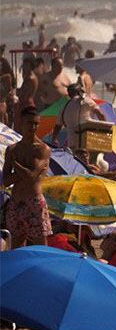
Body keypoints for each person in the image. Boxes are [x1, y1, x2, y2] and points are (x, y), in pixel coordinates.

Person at [1, 106, 53, 247]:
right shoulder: (12, 149)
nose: (33, 127)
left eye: (36, 123)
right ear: (22, 123)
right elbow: (5, 181)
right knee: (16, 246)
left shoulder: (42, 149)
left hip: (34, 201)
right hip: (16, 201)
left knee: (41, 246)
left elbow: (31, 177)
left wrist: (15, 165)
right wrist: (24, 171)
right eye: (30, 123)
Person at [50, 83, 105, 151]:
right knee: (89, 159)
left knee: (77, 160)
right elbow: (101, 114)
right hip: (88, 140)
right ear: (80, 91)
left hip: (72, 143)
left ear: (69, 94)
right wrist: (103, 130)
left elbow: (58, 126)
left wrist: (54, 139)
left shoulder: (64, 107)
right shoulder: (87, 100)